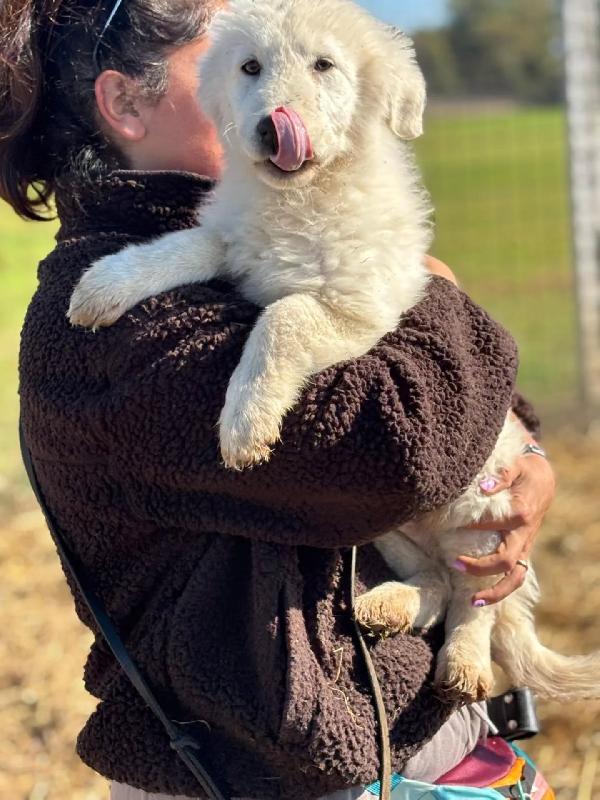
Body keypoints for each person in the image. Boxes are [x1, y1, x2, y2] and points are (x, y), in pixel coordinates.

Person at [1, 1, 556, 799]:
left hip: (399, 728)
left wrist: (524, 454)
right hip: (278, 764)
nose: (273, 97)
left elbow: (460, 417)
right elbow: (400, 448)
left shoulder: (254, 226)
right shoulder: (120, 323)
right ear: (126, 104)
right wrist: (432, 285)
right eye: (237, 65)